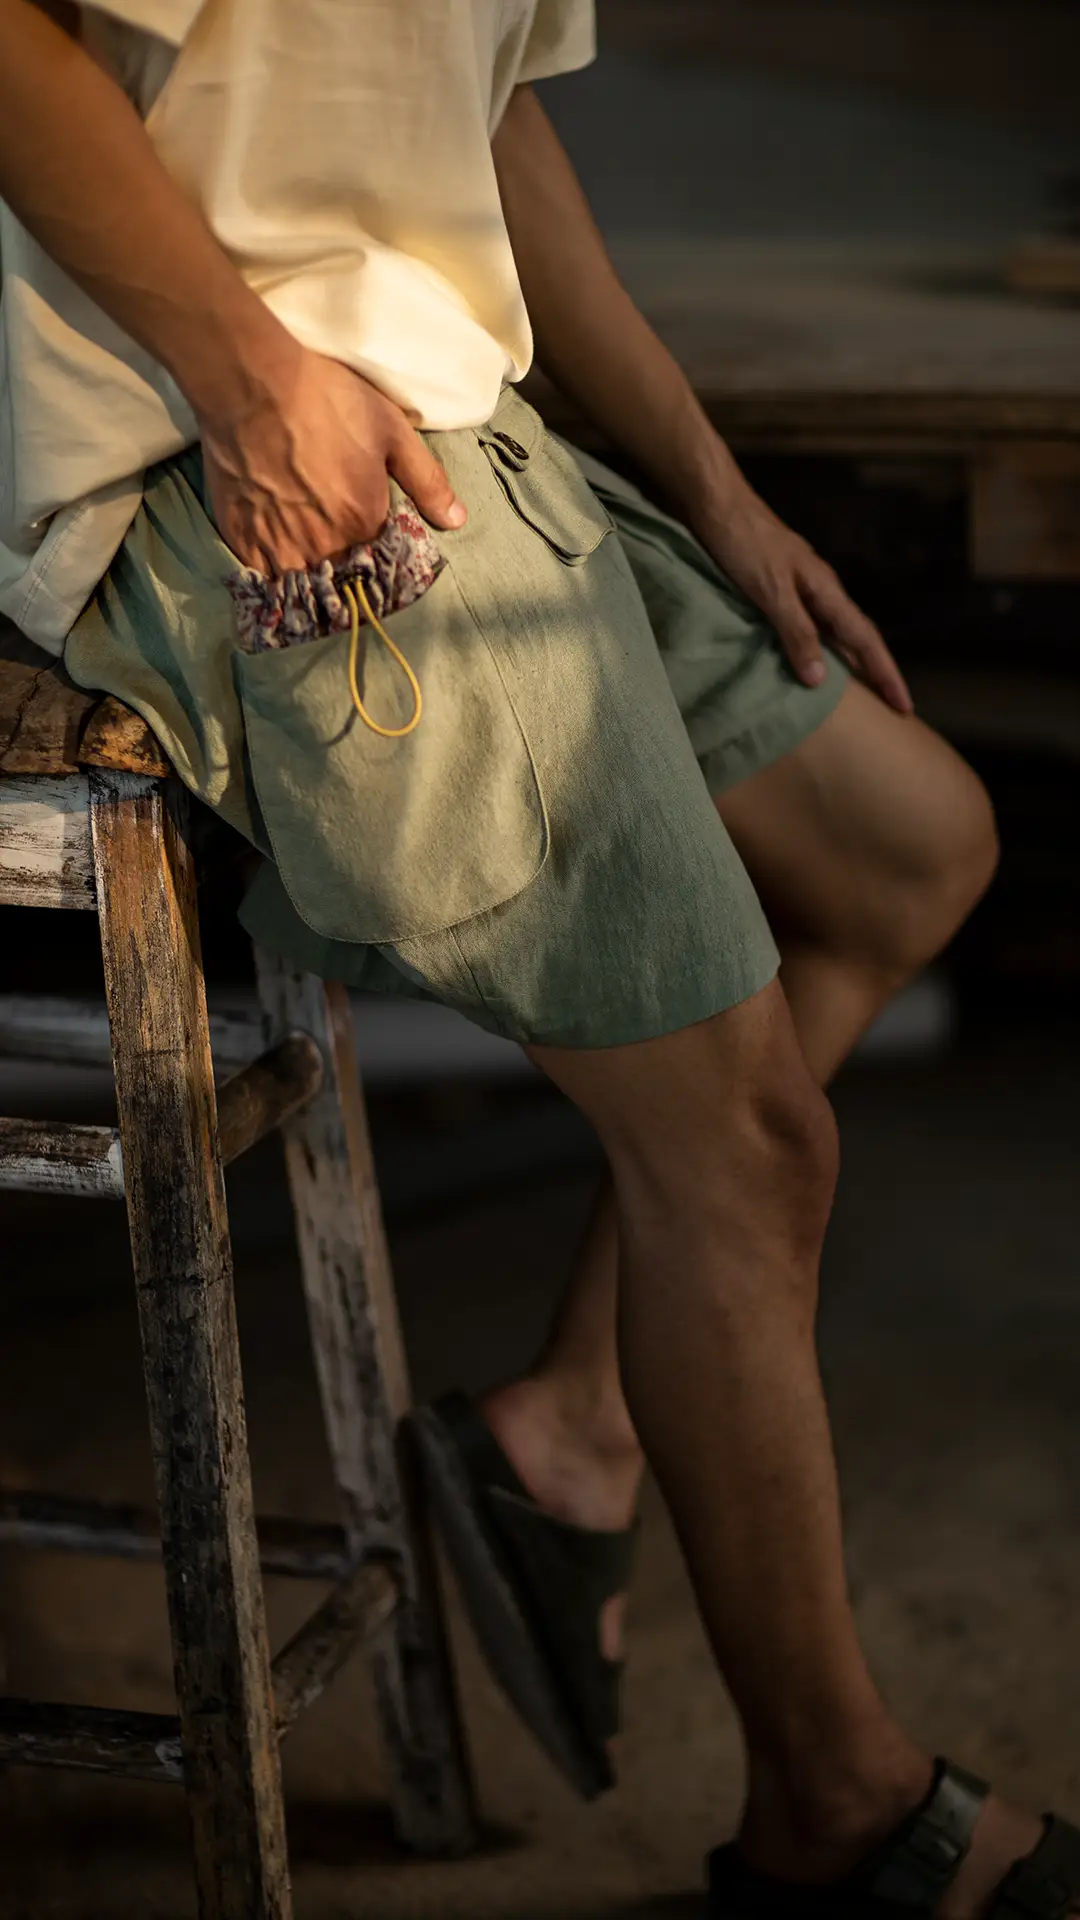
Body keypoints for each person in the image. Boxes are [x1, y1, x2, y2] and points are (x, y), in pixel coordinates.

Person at [2, 2, 1076, 1913]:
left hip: (473, 431)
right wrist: (252, 389)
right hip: (242, 453)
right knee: (748, 1148)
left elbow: (492, 113)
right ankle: (836, 1814)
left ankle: (574, 1419)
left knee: (917, 847)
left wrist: (721, 496)